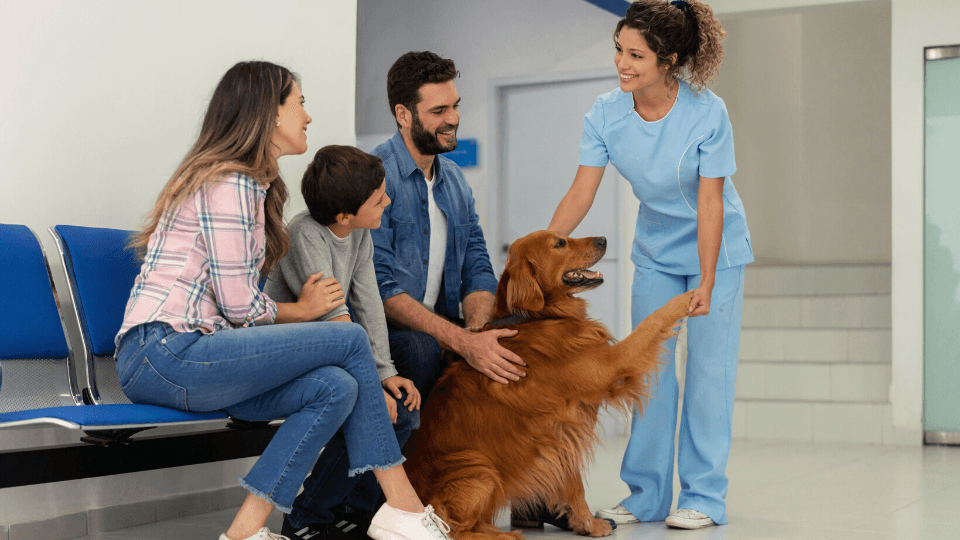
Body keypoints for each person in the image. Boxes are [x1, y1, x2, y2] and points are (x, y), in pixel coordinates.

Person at [114, 61, 451, 540]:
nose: (308, 117)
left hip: (201, 356)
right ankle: (401, 505)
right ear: (270, 115)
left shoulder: (255, 188)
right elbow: (238, 306)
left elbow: (239, 310)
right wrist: (301, 311)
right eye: (300, 104)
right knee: (348, 337)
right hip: (163, 352)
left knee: (334, 386)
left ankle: (244, 533)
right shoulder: (226, 184)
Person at [283, 51, 526, 540]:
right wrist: (460, 341)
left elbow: (477, 260)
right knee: (421, 351)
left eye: (455, 105)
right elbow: (382, 290)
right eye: (439, 111)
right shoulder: (376, 181)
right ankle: (344, 508)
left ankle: (536, 496)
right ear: (403, 114)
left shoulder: (454, 181)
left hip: (440, 329)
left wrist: (479, 329)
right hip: (385, 335)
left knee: (517, 344)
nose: (453, 118)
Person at [547, 0, 752, 530]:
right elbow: (580, 192)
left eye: (636, 55)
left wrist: (706, 280)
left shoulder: (708, 112)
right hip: (657, 252)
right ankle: (646, 495)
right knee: (648, 373)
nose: (622, 63)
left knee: (708, 375)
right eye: (619, 49)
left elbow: (711, 203)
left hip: (717, 252)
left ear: (669, 60)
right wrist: (546, 250)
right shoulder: (606, 113)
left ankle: (704, 497)